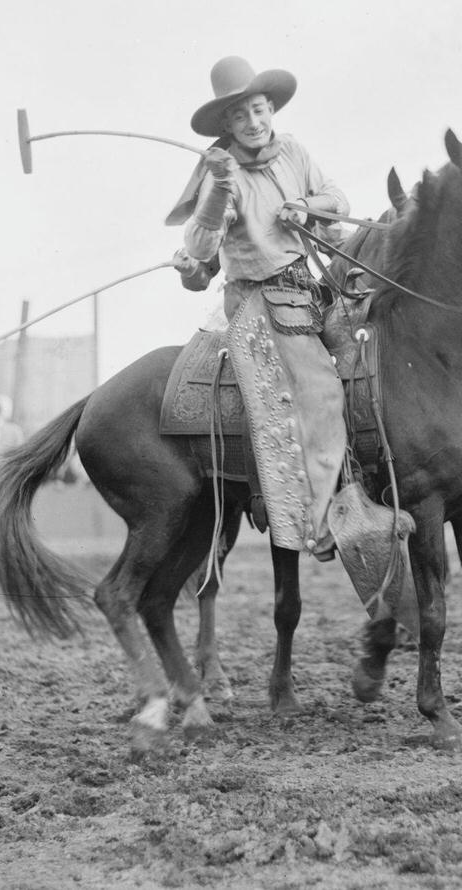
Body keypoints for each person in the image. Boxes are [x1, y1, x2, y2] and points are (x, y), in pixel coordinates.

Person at [165, 56, 349, 557]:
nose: (253, 123)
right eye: (241, 116)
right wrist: (219, 187)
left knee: (366, 356)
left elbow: (337, 197)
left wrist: (307, 208)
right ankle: (318, 518)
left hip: (307, 289)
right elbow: (201, 248)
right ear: (225, 125)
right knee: (320, 392)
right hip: (257, 301)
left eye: (259, 110)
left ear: (271, 110)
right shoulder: (218, 173)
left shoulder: (292, 151)